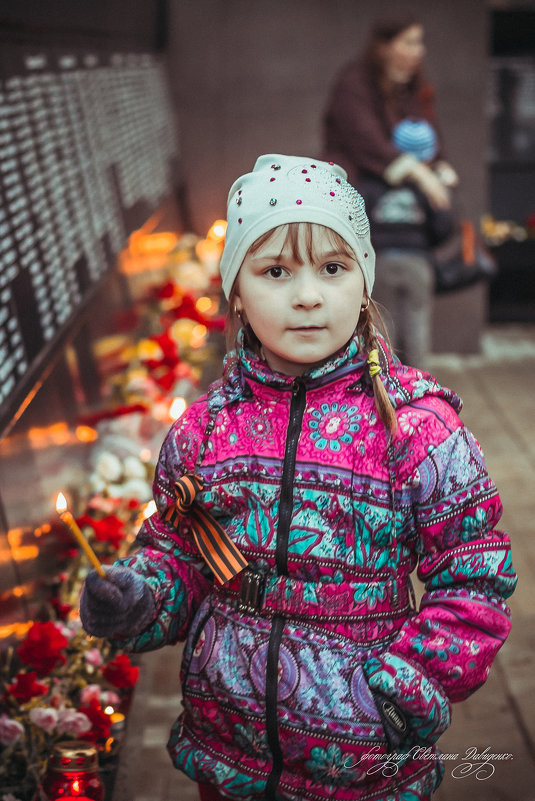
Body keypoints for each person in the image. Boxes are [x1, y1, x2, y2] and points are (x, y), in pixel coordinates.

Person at [80, 154, 516, 801]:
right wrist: (140, 595)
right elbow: (180, 551)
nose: (307, 295)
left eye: (332, 268)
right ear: (235, 290)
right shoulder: (204, 431)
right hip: (228, 751)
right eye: (275, 270)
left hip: (362, 755)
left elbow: (474, 573)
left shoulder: (416, 429)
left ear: (362, 281)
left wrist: (402, 691)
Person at [322, 16, 459, 366]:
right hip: (359, 219)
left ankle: (411, 401)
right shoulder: (355, 82)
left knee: (413, 333)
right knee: (375, 330)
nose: (419, 51)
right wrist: (418, 173)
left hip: (408, 242)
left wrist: (438, 169)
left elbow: (430, 140)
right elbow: (366, 140)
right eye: (410, 42)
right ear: (385, 46)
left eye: (420, 42)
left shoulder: (413, 89)